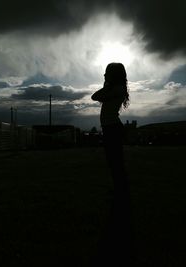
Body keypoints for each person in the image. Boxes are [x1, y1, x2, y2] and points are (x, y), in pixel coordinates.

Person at [91, 62, 130, 266]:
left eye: (107, 72)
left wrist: (106, 83)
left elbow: (94, 96)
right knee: (114, 162)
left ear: (113, 74)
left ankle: (122, 192)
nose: (104, 74)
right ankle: (120, 191)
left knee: (115, 162)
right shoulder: (116, 88)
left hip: (112, 128)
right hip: (111, 128)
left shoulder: (116, 89)